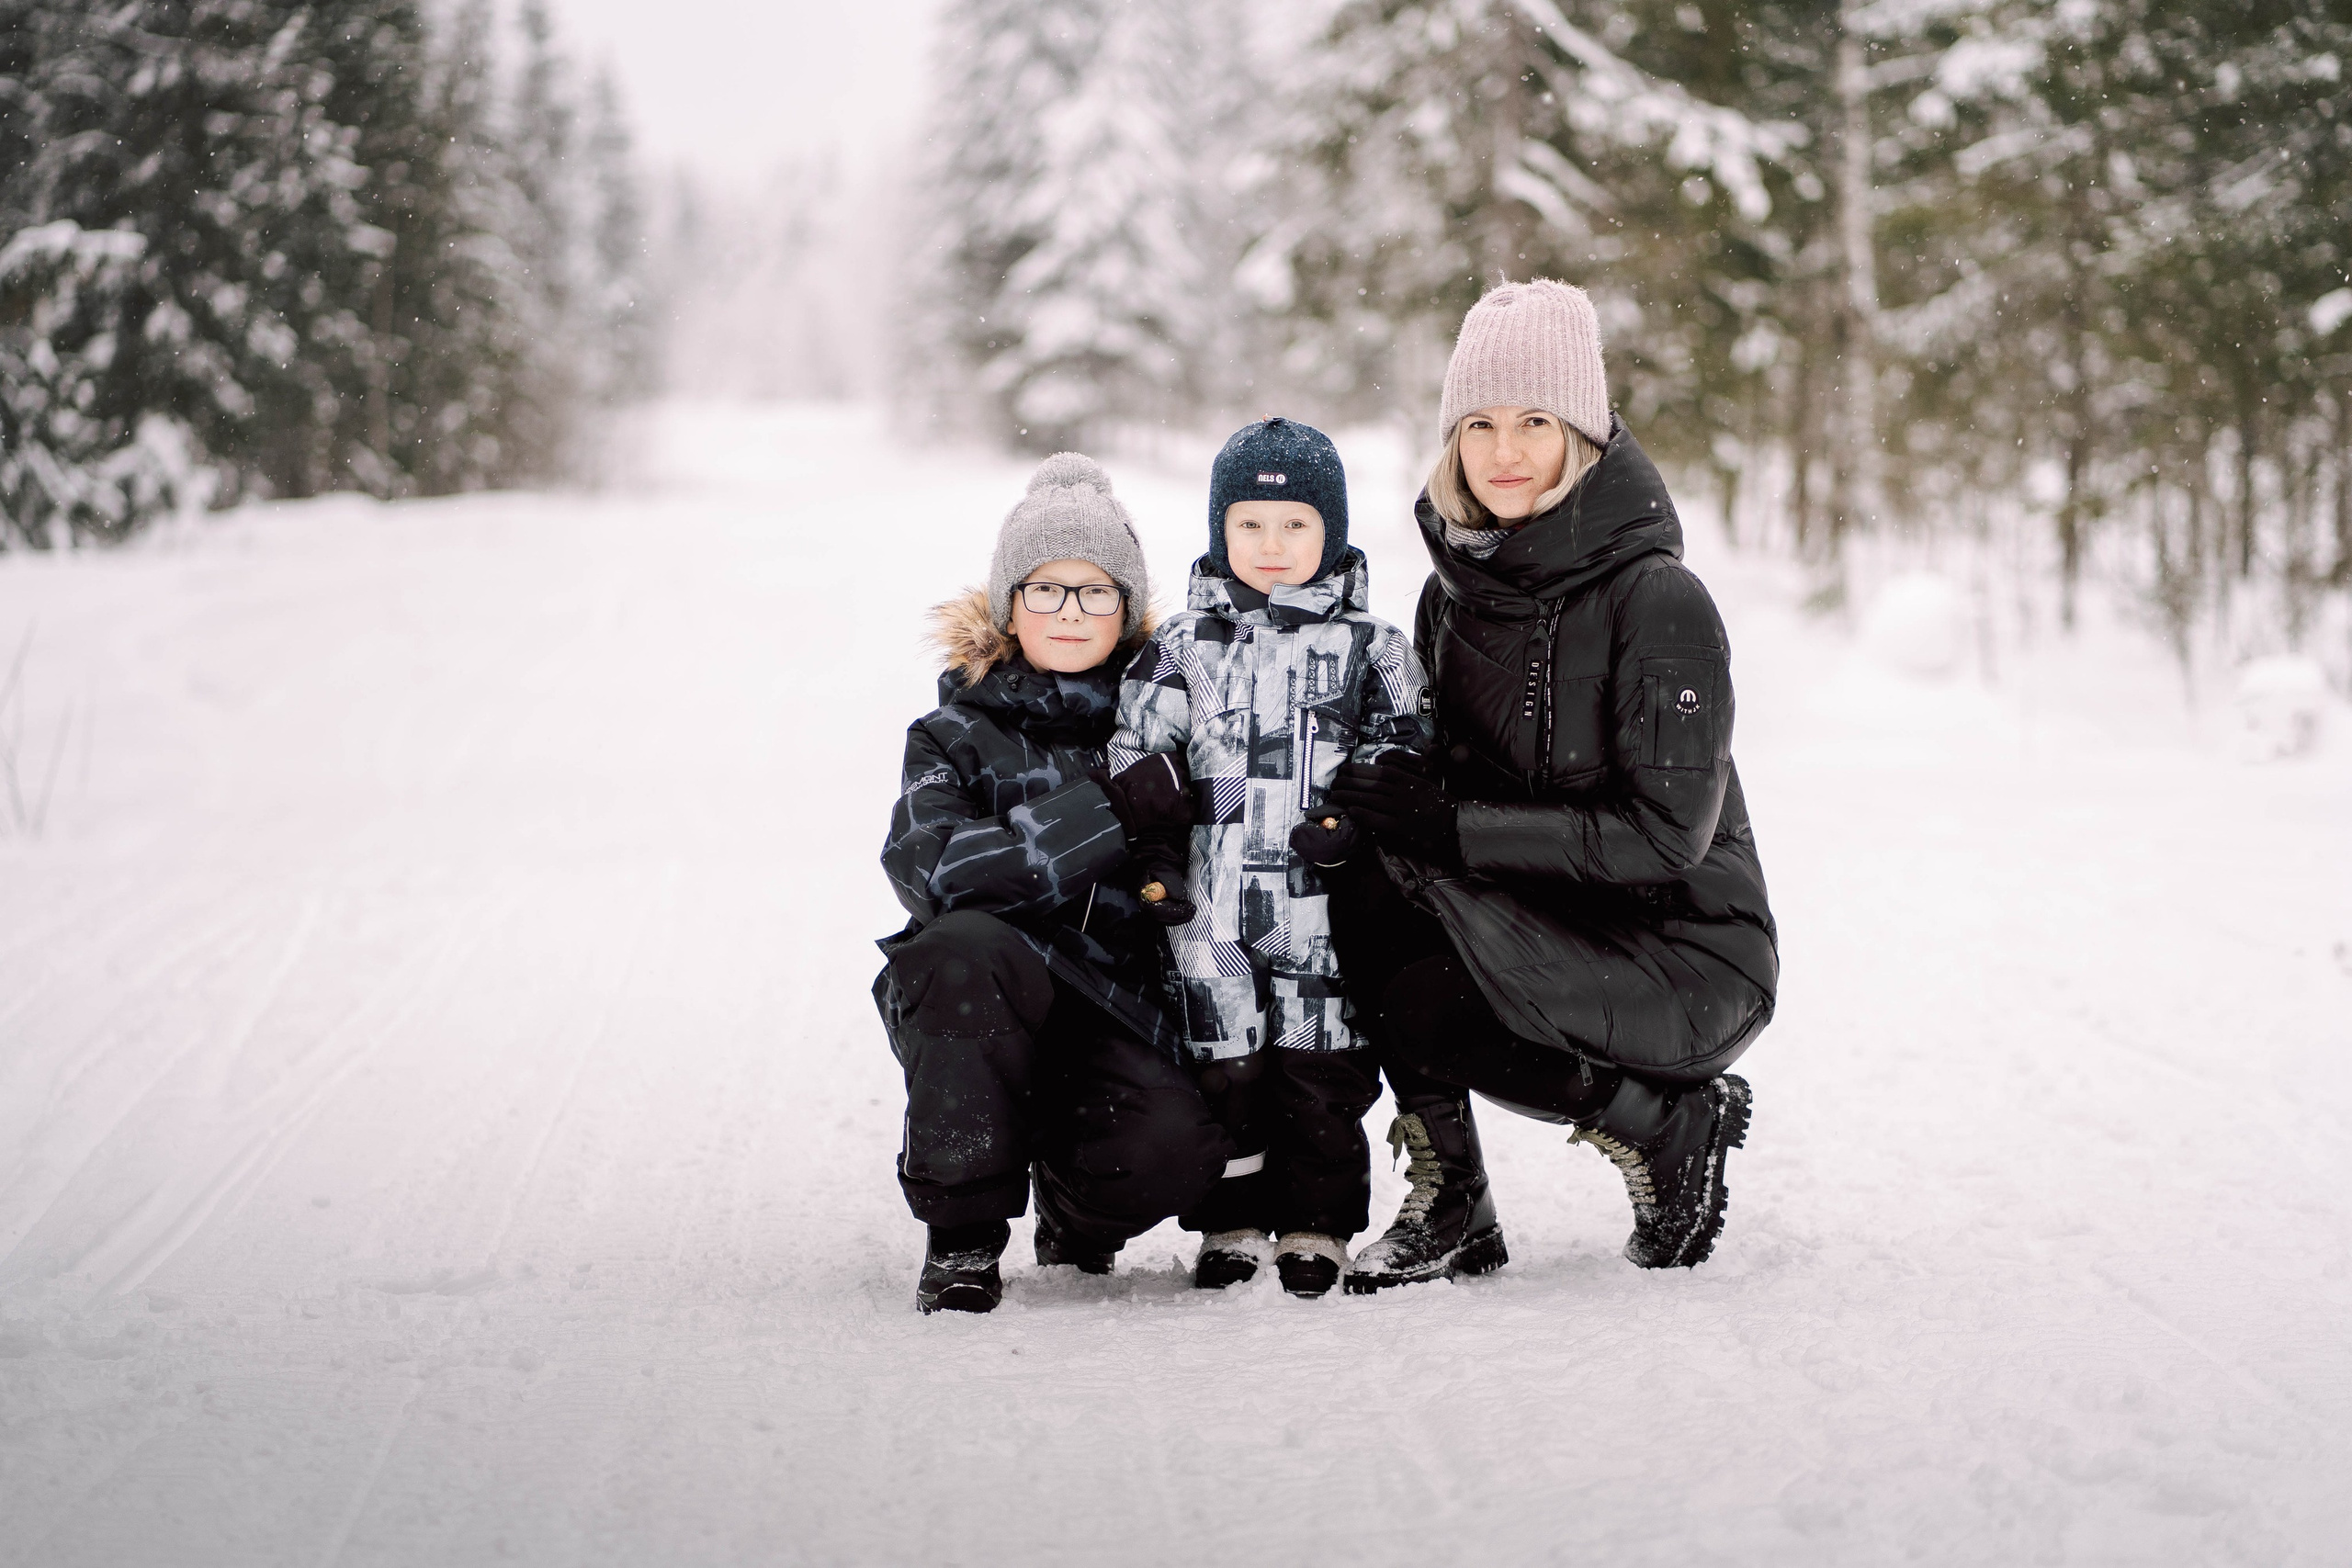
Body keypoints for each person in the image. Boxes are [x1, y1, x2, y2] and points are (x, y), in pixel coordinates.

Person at [1323, 280, 1780, 1291]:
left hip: (1683, 957)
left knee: (1445, 1002)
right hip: (1554, 920)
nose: (1504, 450)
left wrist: (1453, 828)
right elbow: (1439, 794)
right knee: (1363, 885)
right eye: (1478, 425)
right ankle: (1455, 1202)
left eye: (1535, 420)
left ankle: (1667, 1123)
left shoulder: (1656, 599)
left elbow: (1666, 838)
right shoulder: (1453, 600)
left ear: (1583, 434)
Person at [876, 453, 1229, 1314]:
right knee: (959, 947)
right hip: (985, 1002)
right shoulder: (952, 733)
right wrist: (1104, 811)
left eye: (1095, 591)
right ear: (1009, 604)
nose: (1070, 612)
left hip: (1117, 1009)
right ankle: (962, 1237)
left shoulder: (1164, 723)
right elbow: (934, 870)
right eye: (1045, 589)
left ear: (1127, 607)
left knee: (1175, 1145)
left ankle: (1075, 1213)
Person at [1107, 417, 1430, 1298]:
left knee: (1320, 1067)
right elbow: (1139, 752)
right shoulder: (1181, 645)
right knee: (1228, 1068)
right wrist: (1158, 854)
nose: (1273, 546)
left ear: (1332, 533)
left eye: (1296, 526)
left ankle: (1318, 1222)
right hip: (1210, 908)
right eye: (1250, 525)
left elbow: (1405, 744)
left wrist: (1356, 822)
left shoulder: (1373, 647)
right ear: (1221, 533)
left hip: (1321, 904)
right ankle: (1232, 1220)